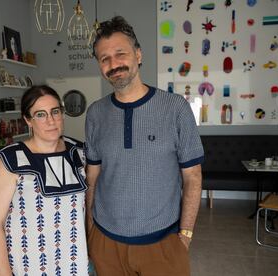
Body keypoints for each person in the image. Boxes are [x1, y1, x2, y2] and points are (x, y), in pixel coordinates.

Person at [85, 16, 204, 276]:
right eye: (104, 58)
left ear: (138, 55)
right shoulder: (95, 113)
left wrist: (184, 235)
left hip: (163, 243)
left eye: (120, 54)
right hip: (106, 243)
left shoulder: (176, 108)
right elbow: (92, 177)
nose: (113, 64)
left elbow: (193, 177)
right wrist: (90, 231)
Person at [0, 85, 89, 275]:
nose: (50, 120)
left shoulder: (79, 153)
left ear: (62, 114)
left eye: (55, 111)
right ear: (28, 120)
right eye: (40, 114)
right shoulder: (11, 160)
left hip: (71, 262)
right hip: (23, 264)